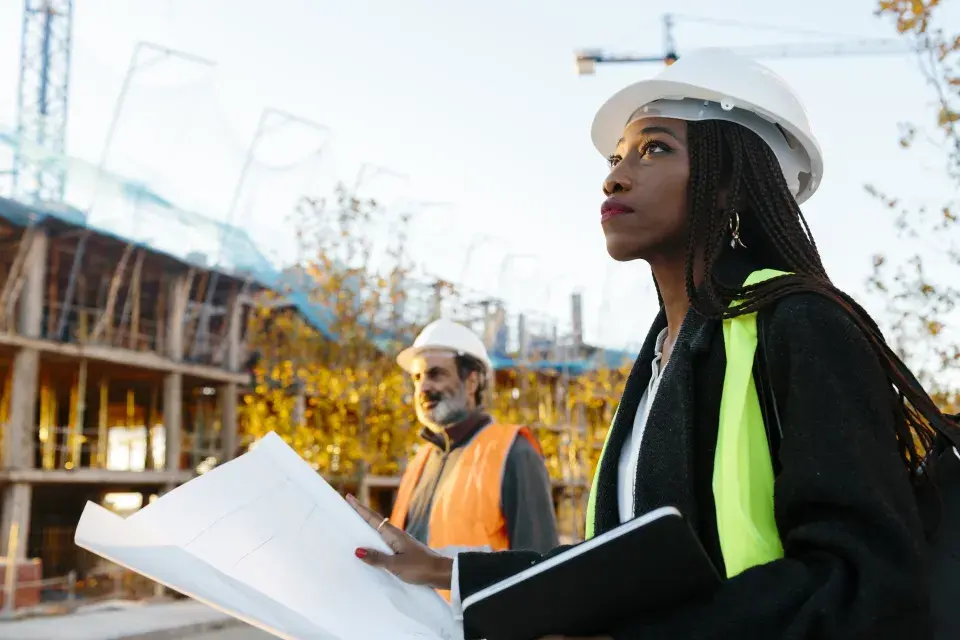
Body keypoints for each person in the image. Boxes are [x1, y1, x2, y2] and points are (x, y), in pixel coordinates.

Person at [347, 49, 955, 639]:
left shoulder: (801, 323)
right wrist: (442, 569)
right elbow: (617, 569)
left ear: (728, 184)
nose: (614, 175)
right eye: (617, 156)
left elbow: (863, 585)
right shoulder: (663, 355)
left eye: (655, 148)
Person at [374, 318, 558, 599]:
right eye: (417, 378)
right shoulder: (420, 461)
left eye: (435, 374)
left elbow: (542, 573)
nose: (423, 388)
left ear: (471, 381)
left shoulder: (514, 452)